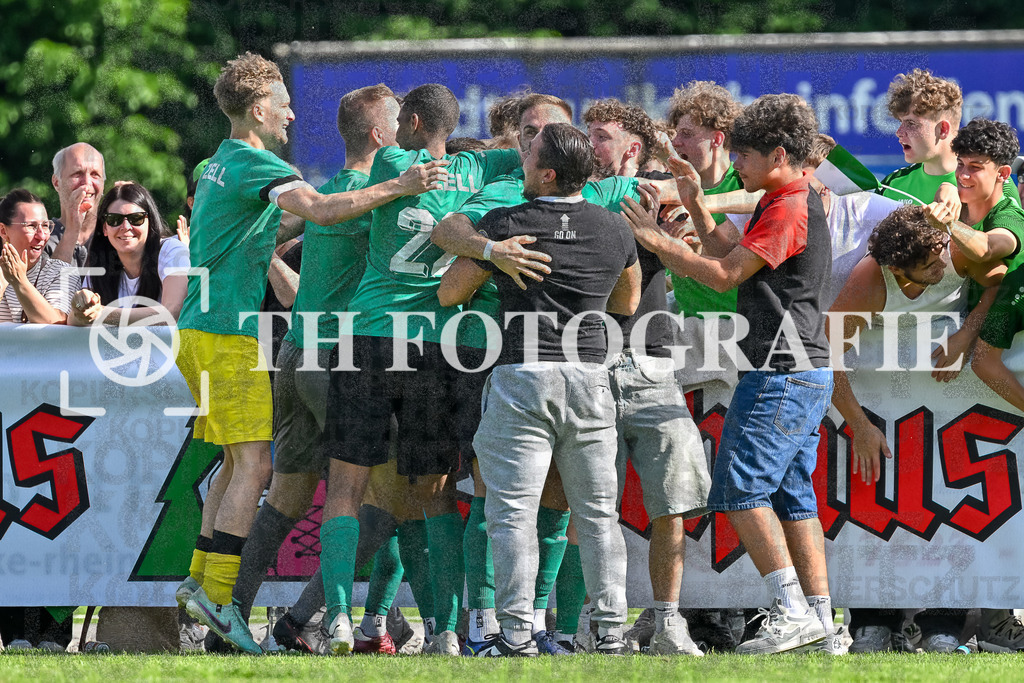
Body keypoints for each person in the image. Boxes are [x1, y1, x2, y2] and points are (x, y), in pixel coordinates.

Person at [173, 52, 448, 655]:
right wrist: (404, 186)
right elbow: (325, 212)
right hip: (271, 342)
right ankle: (276, 612)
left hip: (263, 343)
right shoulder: (279, 170)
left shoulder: (217, 163)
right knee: (372, 490)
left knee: (265, 481)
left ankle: (213, 590)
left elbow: (285, 224)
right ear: (257, 109)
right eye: (283, 103)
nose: (293, 113)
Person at [621, 93, 834, 654]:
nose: (735, 166)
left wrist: (656, 240)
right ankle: (820, 619)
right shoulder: (785, 196)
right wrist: (695, 204)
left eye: (743, 155)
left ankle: (792, 610)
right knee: (793, 499)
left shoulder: (789, 204)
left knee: (739, 491)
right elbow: (735, 258)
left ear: (779, 154)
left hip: (780, 371)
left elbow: (721, 275)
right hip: (799, 368)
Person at [316, 83, 521, 656]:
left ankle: (337, 618)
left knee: (346, 487)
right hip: (437, 347)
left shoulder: (391, 160)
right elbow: (528, 153)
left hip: (370, 337)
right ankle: (447, 631)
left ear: (406, 122)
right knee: (433, 495)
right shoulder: (476, 169)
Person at [438, 122, 642, 657]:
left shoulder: (507, 222)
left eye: (527, 157)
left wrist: (488, 252)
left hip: (522, 375)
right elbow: (627, 301)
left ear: (547, 174)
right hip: (591, 377)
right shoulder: (614, 228)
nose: (519, 164)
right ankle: (611, 629)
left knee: (512, 513)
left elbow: (449, 292)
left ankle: (516, 632)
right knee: (597, 514)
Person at [828, 204, 1011, 655]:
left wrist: (967, 334)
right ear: (896, 268)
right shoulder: (870, 280)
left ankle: (942, 624)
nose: (941, 263)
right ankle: (872, 621)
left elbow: (998, 277)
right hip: (879, 406)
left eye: (940, 254)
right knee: (876, 508)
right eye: (928, 264)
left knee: (953, 507)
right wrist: (860, 425)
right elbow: (825, 355)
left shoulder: (949, 249)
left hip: (950, 405)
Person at [582, 98, 712, 656]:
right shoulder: (573, 195)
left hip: (652, 362)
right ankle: (597, 618)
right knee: (593, 504)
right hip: (583, 362)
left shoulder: (656, 193)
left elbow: (692, 245)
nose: (591, 146)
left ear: (633, 147)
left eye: (603, 137)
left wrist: (671, 226)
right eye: (587, 135)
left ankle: (667, 620)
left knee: (672, 502)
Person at [67, 182, 190, 326]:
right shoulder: (101, 262)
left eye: (136, 218)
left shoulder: (172, 250)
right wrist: (81, 308)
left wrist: (102, 313)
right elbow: (73, 322)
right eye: (114, 219)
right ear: (105, 228)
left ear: (150, 223)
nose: (125, 227)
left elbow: (172, 312)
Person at [0, 189, 80, 324]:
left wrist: (20, 281)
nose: (42, 236)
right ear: (3, 230)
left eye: (45, 225)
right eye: (31, 226)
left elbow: (57, 325)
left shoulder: (61, 272)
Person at [46, 143, 106, 267]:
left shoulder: (117, 235)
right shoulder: (40, 238)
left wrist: (130, 205)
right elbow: (46, 285)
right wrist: (72, 230)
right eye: (77, 174)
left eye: (95, 174)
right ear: (56, 182)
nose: (87, 183)